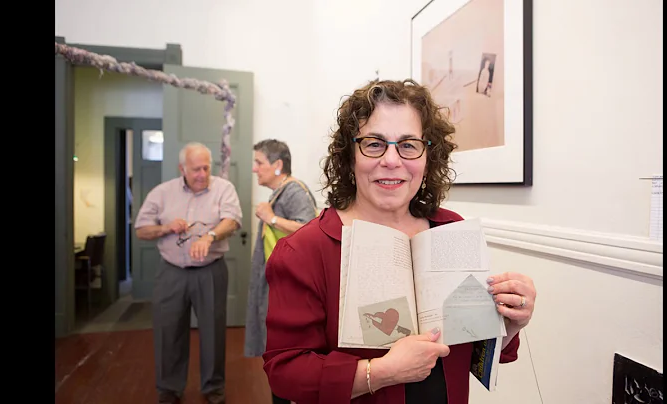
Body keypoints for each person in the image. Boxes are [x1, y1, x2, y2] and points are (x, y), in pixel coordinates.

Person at [262, 79, 537, 404]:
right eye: (374, 144)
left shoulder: (450, 230)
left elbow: (474, 348)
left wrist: (511, 322)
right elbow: (284, 373)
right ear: (350, 155)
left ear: (427, 156)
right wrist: (381, 372)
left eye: (408, 145)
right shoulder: (305, 251)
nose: (392, 160)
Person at [134, 142, 242, 404]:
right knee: (168, 332)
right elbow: (141, 229)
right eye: (195, 169)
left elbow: (233, 220)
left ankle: (213, 389)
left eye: (206, 167)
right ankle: (169, 390)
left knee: (213, 333)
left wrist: (210, 236)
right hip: (171, 273)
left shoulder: (223, 188)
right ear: (182, 168)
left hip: (211, 271)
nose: (202, 174)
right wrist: (166, 228)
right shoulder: (162, 193)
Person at [244, 140, 317, 402]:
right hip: (276, 285)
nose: (254, 169)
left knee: (282, 355)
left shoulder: (294, 191)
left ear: (277, 165)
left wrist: (271, 219)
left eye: (259, 163)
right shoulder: (280, 192)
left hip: (287, 290)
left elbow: (311, 231)